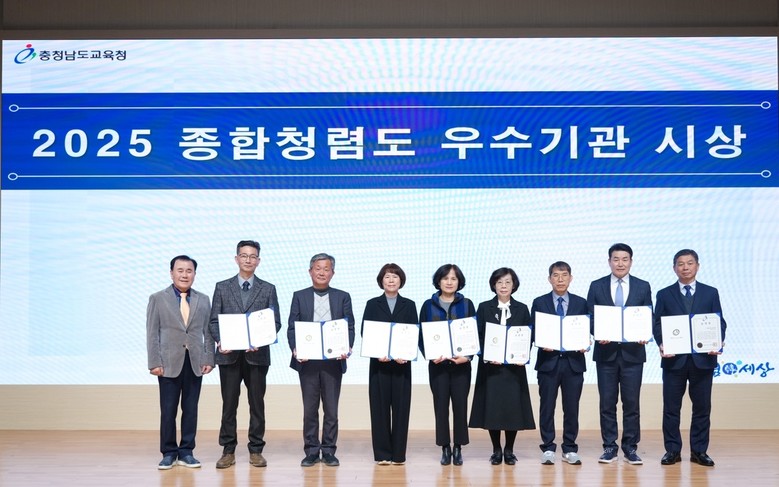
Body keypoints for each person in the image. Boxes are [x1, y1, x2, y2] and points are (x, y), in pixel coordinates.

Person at [208, 240, 282, 469]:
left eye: (252, 256)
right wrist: (221, 341)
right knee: (229, 405)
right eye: (244, 255)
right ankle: (228, 450)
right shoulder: (222, 287)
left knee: (256, 404)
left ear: (258, 261)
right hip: (229, 356)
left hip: (257, 356)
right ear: (236, 259)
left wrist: (260, 339)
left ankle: (256, 450)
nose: (248, 260)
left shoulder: (268, 289)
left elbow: (275, 322)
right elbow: (213, 320)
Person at [653, 249, 726, 467]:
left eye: (690, 263)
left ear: (697, 266)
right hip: (674, 360)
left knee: (702, 408)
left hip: (703, 360)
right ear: (674, 267)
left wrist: (718, 340)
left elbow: (719, 321)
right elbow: (657, 323)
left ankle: (699, 451)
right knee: (671, 409)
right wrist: (662, 343)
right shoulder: (664, 294)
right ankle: (672, 450)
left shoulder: (710, 293)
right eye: (681, 264)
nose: (685, 267)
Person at [146, 255, 214, 470]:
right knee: (168, 410)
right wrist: (154, 362)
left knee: (191, 409)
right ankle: (168, 452)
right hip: (168, 363)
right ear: (171, 273)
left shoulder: (203, 299)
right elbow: (152, 333)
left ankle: (186, 451)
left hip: (195, 362)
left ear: (194, 274)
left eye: (189, 271)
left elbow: (208, 333)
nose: (185, 275)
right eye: (180, 270)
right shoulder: (158, 298)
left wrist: (208, 358)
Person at [587, 243, 652, 465]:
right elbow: (590, 316)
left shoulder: (643, 286)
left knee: (631, 403)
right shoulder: (597, 286)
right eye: (616, 259)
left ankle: (631, 447)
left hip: (633, 354)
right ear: (609, 262)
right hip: (606, 354)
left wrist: (645, 333)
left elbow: (648, 315)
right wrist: (598, 333)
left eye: (625, 259)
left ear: (631, 262)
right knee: (607, 403)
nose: (620, 263)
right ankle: (609, 447)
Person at [288, 253, 355, 467]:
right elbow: (292, 327)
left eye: (326, 269)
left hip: (333, 362)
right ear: (310, 271)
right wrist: (296, 349)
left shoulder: (342, 296)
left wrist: (346, 347)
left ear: (332, 273)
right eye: (318, 268)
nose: (322, 272)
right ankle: (311, 451)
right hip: (307, 362)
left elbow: (349, 326)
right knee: (310, 410)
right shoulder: (299, 296)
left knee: (331, 410)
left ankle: (328, 451)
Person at [469, 267, 535, 466]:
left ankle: (509, 450)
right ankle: (496, 449)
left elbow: (527, 336)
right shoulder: (484, 307)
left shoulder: (522, 308)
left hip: (514, 368)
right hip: (491, 368)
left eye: (507, 282)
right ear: (493, 285)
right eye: (499, 282)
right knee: (493, 408)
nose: (503, 286)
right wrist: (487, 355)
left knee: (512, 409)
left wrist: (522, 355)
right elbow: (477, 335)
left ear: (514, 285)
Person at [531, 261, 589, 466]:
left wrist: (585, 342)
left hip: (574, 363)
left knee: (571, 408)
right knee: (547, 407)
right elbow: (533, 330)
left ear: (571, 278)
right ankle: (548, 447)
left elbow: (587, 329)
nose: (560, 279)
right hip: (548, 362)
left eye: (564, 275)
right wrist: (541, 341)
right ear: (549, 279)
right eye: (556, 275)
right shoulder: (539, 302)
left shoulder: (581, 303)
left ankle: (570, 448)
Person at [361, 263, 419, 465]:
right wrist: (377, 352)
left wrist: (407, 353)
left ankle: (399, 454)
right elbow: (365, 332)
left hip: (402, 366)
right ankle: (382, 454)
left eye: (395, 276)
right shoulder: (372, 304)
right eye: (387, 277)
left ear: (401, 280)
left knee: (401, 409)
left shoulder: (409, 305)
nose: (391, 280)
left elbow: (414, 332)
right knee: (379, 409)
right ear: (381, 281)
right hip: (379, 366)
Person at [420, 264, 476, 466]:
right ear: (439, 281)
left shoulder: (467, 304)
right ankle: (445, 447)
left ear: (459, 282)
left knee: (460, 406)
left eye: (453, 278)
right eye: (445, 278)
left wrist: (468, 356)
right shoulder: (428, 305)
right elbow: (421, 335)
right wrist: (430, 354)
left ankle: (458, 447)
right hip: (438, 366)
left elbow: (474, 334)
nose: (449, 282)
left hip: (461, 366)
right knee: (441, 406)